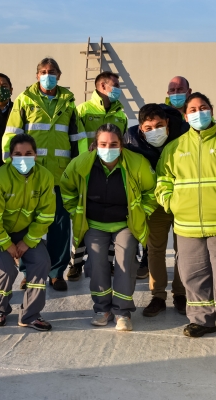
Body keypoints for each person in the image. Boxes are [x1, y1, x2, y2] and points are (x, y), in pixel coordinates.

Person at [155, 93, 216, 340]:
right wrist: (170, 202)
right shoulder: (174, 147)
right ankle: (201, 321)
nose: (198, 113)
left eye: (203, 107)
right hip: (187, 226)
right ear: (186, 116)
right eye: (193, 109)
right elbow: (163, 180)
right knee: (193, 276)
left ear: (212, 110)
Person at [60, 124, 157, 331]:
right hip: (94, 224)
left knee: (124, 263)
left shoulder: (137, 163)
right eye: (103, 144)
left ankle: (122, 312)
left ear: (122, 145)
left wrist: (143, 212)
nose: (108, 148)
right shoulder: (81, 163)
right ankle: (102, 308)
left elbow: (151, 190)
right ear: (95, 145)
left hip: (126, 224)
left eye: (113, 144)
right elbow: (66, 187)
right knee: (97, 265)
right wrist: (74, 210)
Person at [2, 57, 85, 291]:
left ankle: (56, 272)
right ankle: (29, 272)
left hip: (60, 176)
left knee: (59, 226)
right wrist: (12, 169)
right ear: (37, 75)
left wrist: (79, 171)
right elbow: (11, 135)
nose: (48, 75)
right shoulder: (25, 100)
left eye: (52, 71)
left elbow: (78, 139)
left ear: (60, 75)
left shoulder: (69, 103)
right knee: (29, 226)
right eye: (43, 71)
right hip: (30, 175)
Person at [0, 134, 56, 331]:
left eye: (28, 153)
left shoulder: (45, 177)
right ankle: (0, 309)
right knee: (5, 268)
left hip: (23, 230)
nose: (23, 158)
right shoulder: (0, 178)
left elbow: (46, 215)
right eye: (17, 154)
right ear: (10, 156)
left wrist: (28, 241)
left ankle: (30, 315)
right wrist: (7, 244)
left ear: (36, 155)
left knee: (41, 262)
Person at [123, 103, 189, 316]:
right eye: (149, 127)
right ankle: (158, 296)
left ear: (168, 123)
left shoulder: (184, 131)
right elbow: (113, 143)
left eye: (159, 125)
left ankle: (181, 294)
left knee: (183, 250)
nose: (155, 130)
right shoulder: (131, 138)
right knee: (155, 249)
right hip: (155, 201)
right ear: (141, 128)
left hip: (181, 200)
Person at [67, 71, 128, 281]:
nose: (118, 88)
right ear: (102, 86)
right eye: (115, 84)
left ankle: (109, 263)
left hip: (113, 171)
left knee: (111, 218)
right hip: (88, 171)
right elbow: (77, 139)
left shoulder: (121, 113)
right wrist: (85, 161)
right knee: (83, 220)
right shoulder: (82, 110)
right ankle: (75, 264)